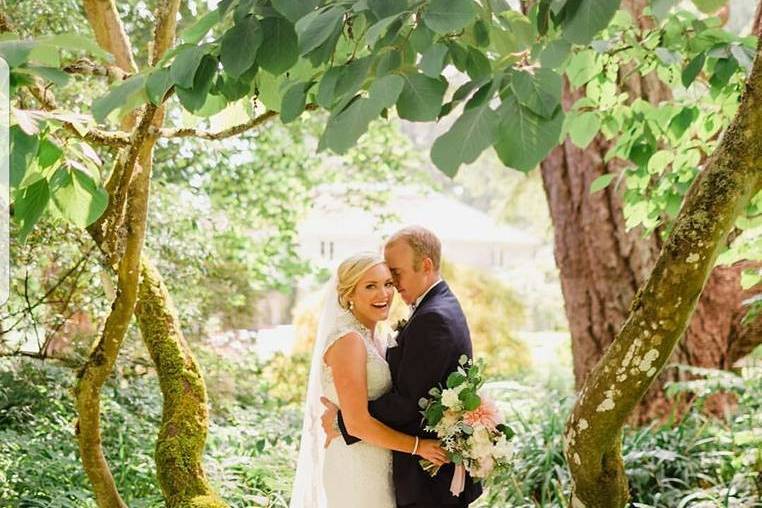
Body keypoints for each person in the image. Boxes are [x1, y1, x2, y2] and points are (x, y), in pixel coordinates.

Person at [322, 226, 483, 508]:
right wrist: (354, 420)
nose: (390, 288)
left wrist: (344, 422)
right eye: (371, 285)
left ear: (426, 265)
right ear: (349, 294)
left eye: (392, 277)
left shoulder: (432, 317)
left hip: (426, 478)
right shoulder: (433, 309)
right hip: (366, 465)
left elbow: (409, 402)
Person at [290, 251, 449, 508]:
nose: (384, 294)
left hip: (380, 461)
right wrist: (419, 446)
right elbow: (357, 425)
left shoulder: (381, 335)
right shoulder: (349, 341)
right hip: (355, 466)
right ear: (348, 294)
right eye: (370, 286)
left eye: (388, 284)